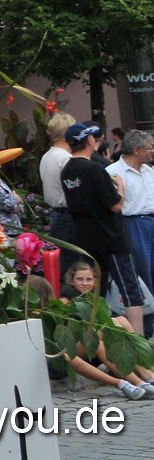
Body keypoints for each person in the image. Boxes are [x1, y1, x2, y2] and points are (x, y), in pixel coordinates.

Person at [61, 121, 146, 336]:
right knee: (129, 287)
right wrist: (120, 186)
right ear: (90, 140)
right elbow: (115, 205)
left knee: (93, 288)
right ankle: (138, 340)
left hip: (85, 237)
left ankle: (96, 339)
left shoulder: (67, 171)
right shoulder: (94, 168)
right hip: (111, 237)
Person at [57, 260, 154, 399]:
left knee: (121, 321)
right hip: (79, 350)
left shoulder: (93, 299)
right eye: (80, 279)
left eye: (89, 279)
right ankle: (140, 379)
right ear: (72, 281)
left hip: (95, 347)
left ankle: (148, 372)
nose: (85, 283)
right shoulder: (66, 301)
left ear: (95, 281)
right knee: (103, 331)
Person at [106, 128, 154, 333]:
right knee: (142, 274)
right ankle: (147, 326)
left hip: (151, 222)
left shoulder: (149, 170)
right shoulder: (114, 172)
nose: (152, 151)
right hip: (132, 224)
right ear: (136, 149)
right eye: (150, 147)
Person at [40, 111, 77, 265]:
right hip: (68, 214)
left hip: (56, 213)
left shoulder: (47, 156)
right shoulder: (65, 158)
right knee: (73, 262)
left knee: (62, 262)